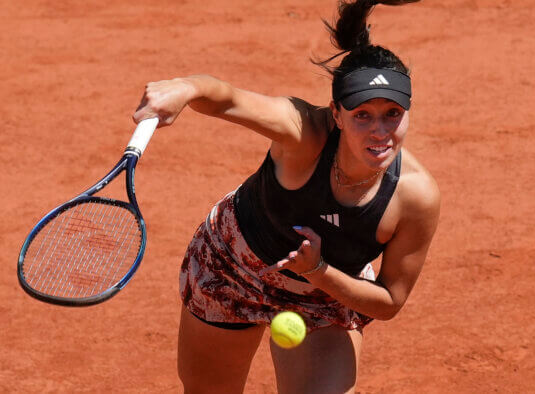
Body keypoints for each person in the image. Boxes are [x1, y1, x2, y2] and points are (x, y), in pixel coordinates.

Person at [133, 0, 439, 392]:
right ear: (336, 114)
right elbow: (227, 99)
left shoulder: (416, 196)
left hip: (328, 292)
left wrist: (318, 271)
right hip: (232, 268)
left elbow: (390, 301)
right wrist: (185, 87)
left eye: (392, 113)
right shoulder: (303, 133)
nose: (380, 131)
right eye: (362, 115)